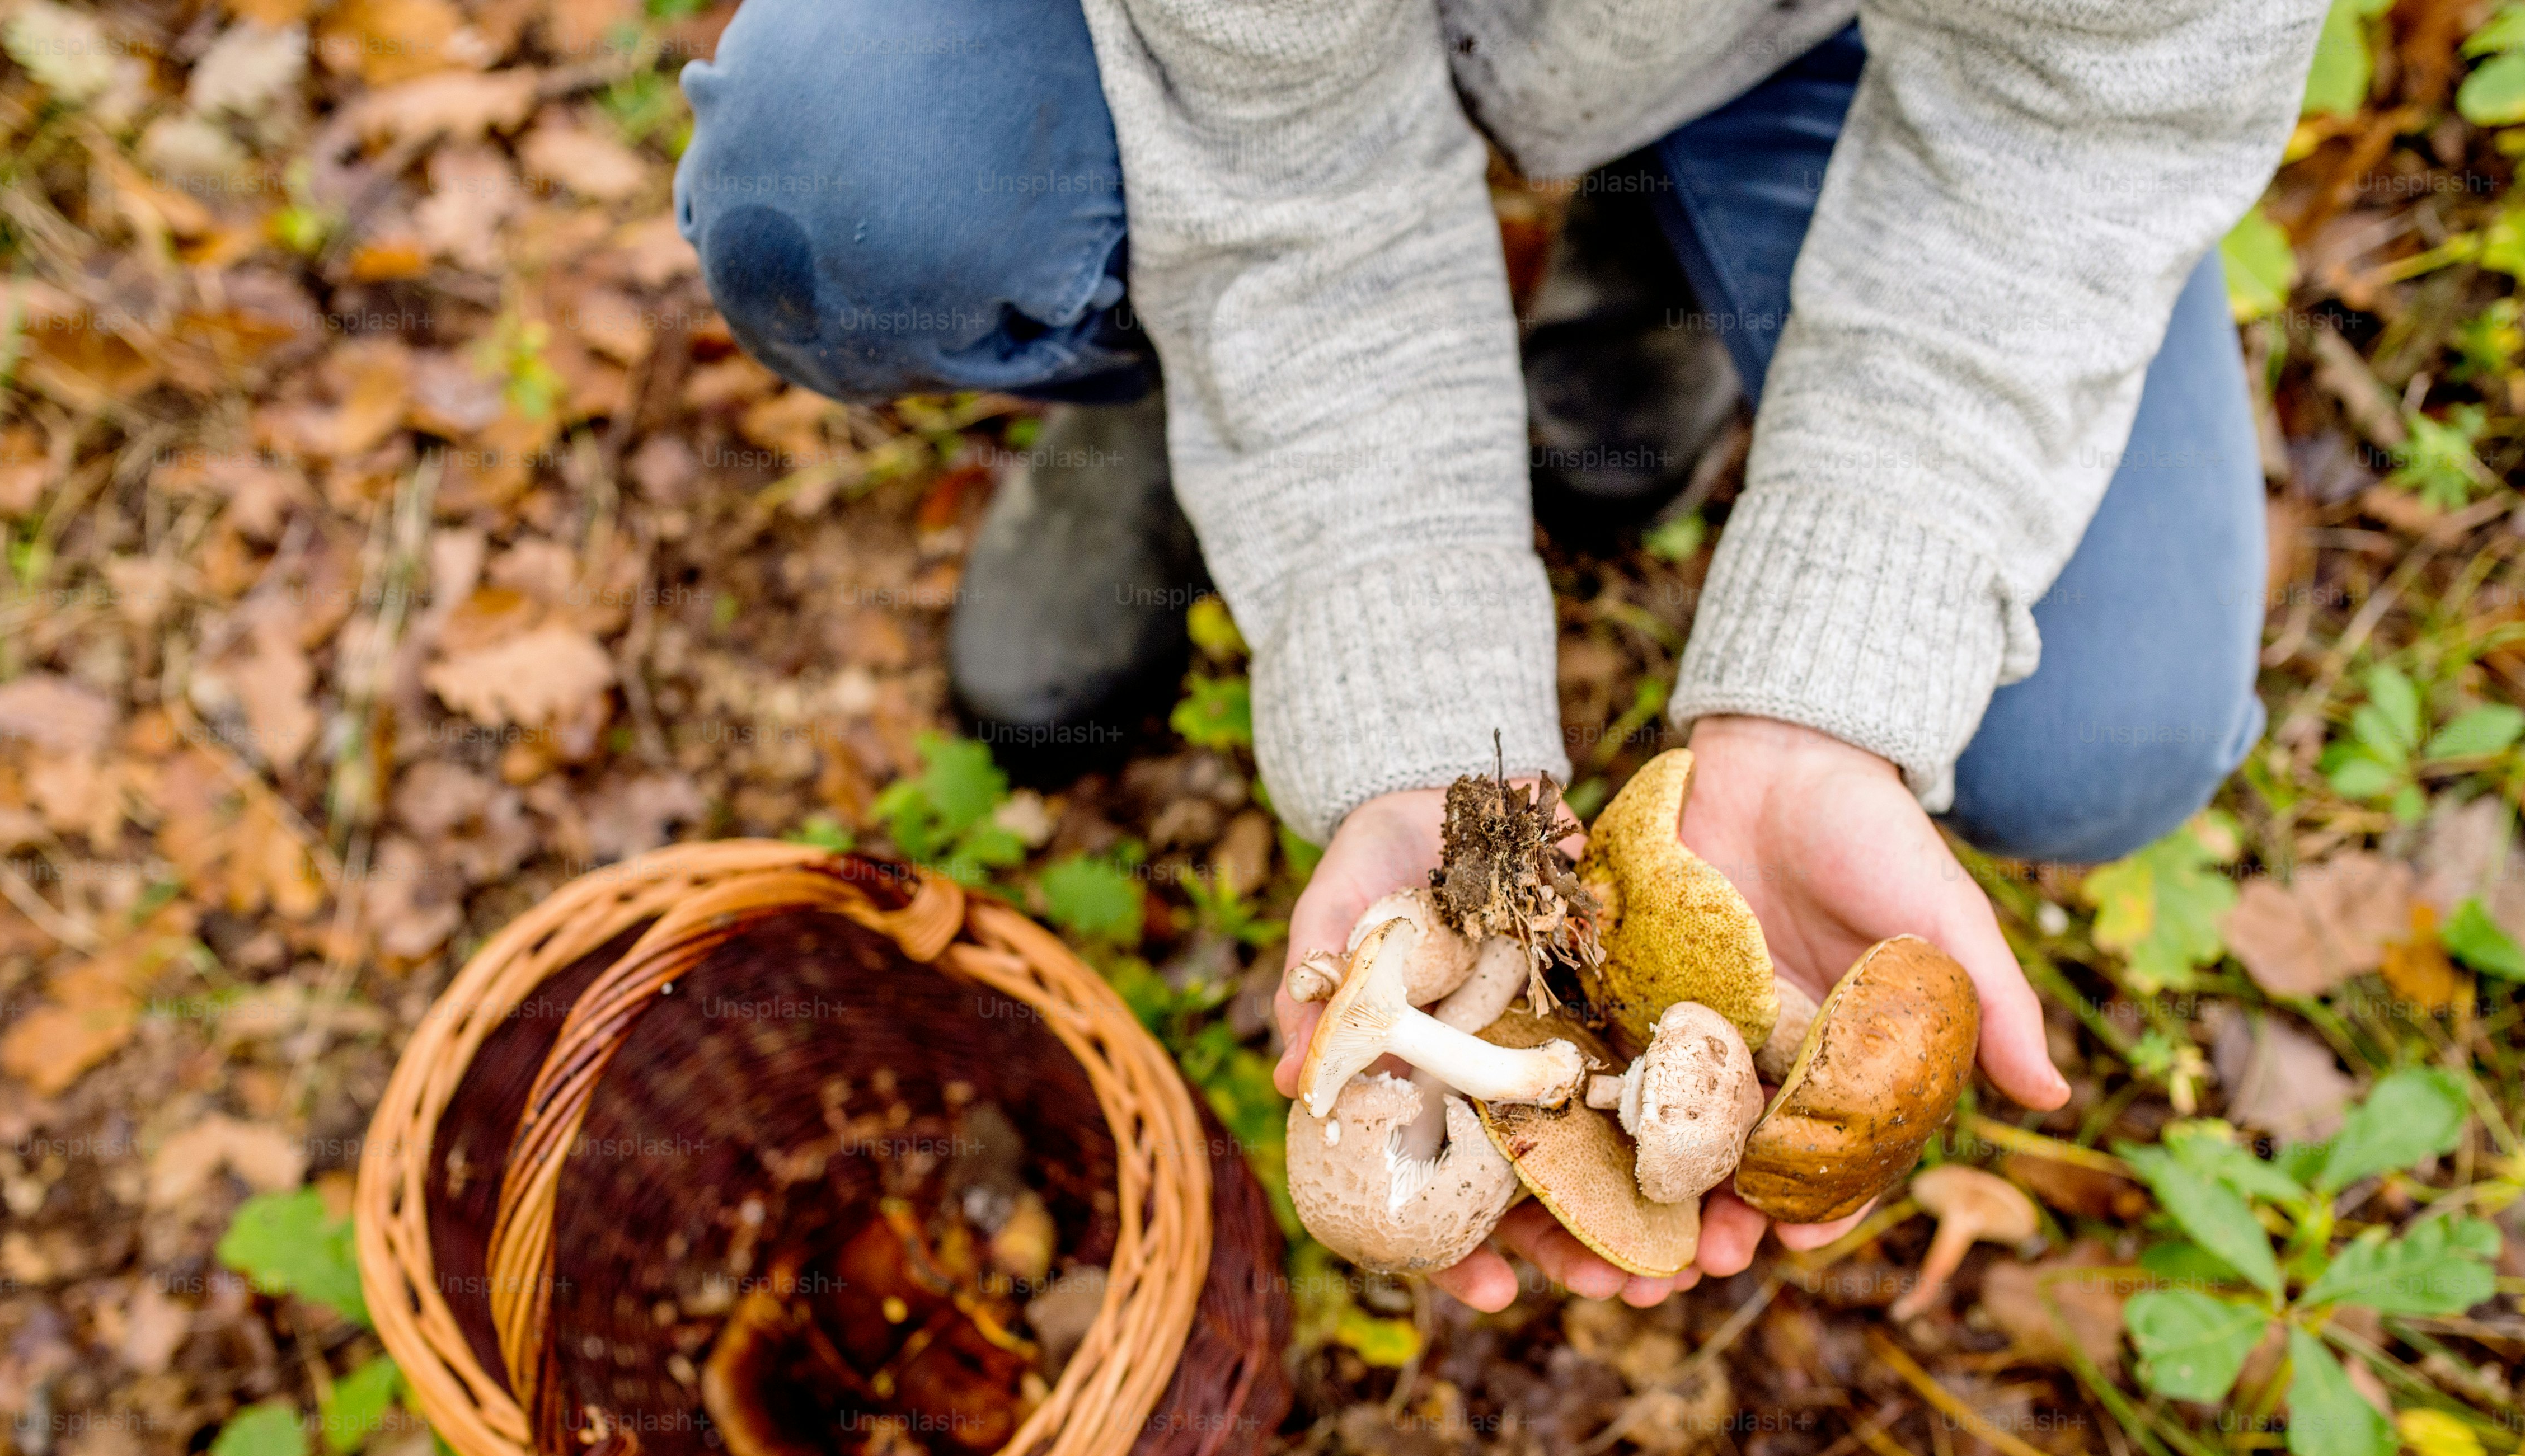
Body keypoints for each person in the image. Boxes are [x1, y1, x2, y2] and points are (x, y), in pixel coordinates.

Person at [675, 0, 2322, 1309]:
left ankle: (1656, 261)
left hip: (1849, 48)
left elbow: (2080, 122)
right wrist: (1414, 708)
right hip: (1264, 85)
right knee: (851, 184)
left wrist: (1840, 690)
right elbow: (1295, 197)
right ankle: (1160, 410)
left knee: (2097, 727)